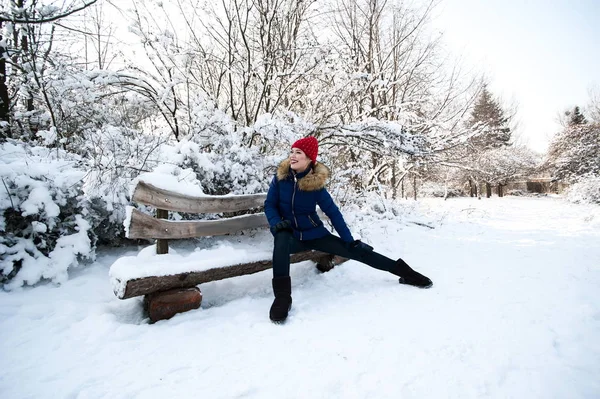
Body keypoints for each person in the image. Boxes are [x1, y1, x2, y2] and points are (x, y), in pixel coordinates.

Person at [264, 136, 432, 323]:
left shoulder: (316, 186)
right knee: (280, 242)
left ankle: (406, 273)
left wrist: (349, 240)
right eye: (292, 151)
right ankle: (282, 297)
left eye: (298, 153)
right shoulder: (280, 179)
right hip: (288, 232)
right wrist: (276, 223)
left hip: (314, 234)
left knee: (356, 250)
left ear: (310, 159)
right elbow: (269, 205)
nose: (292, 156)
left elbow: (334, 213)